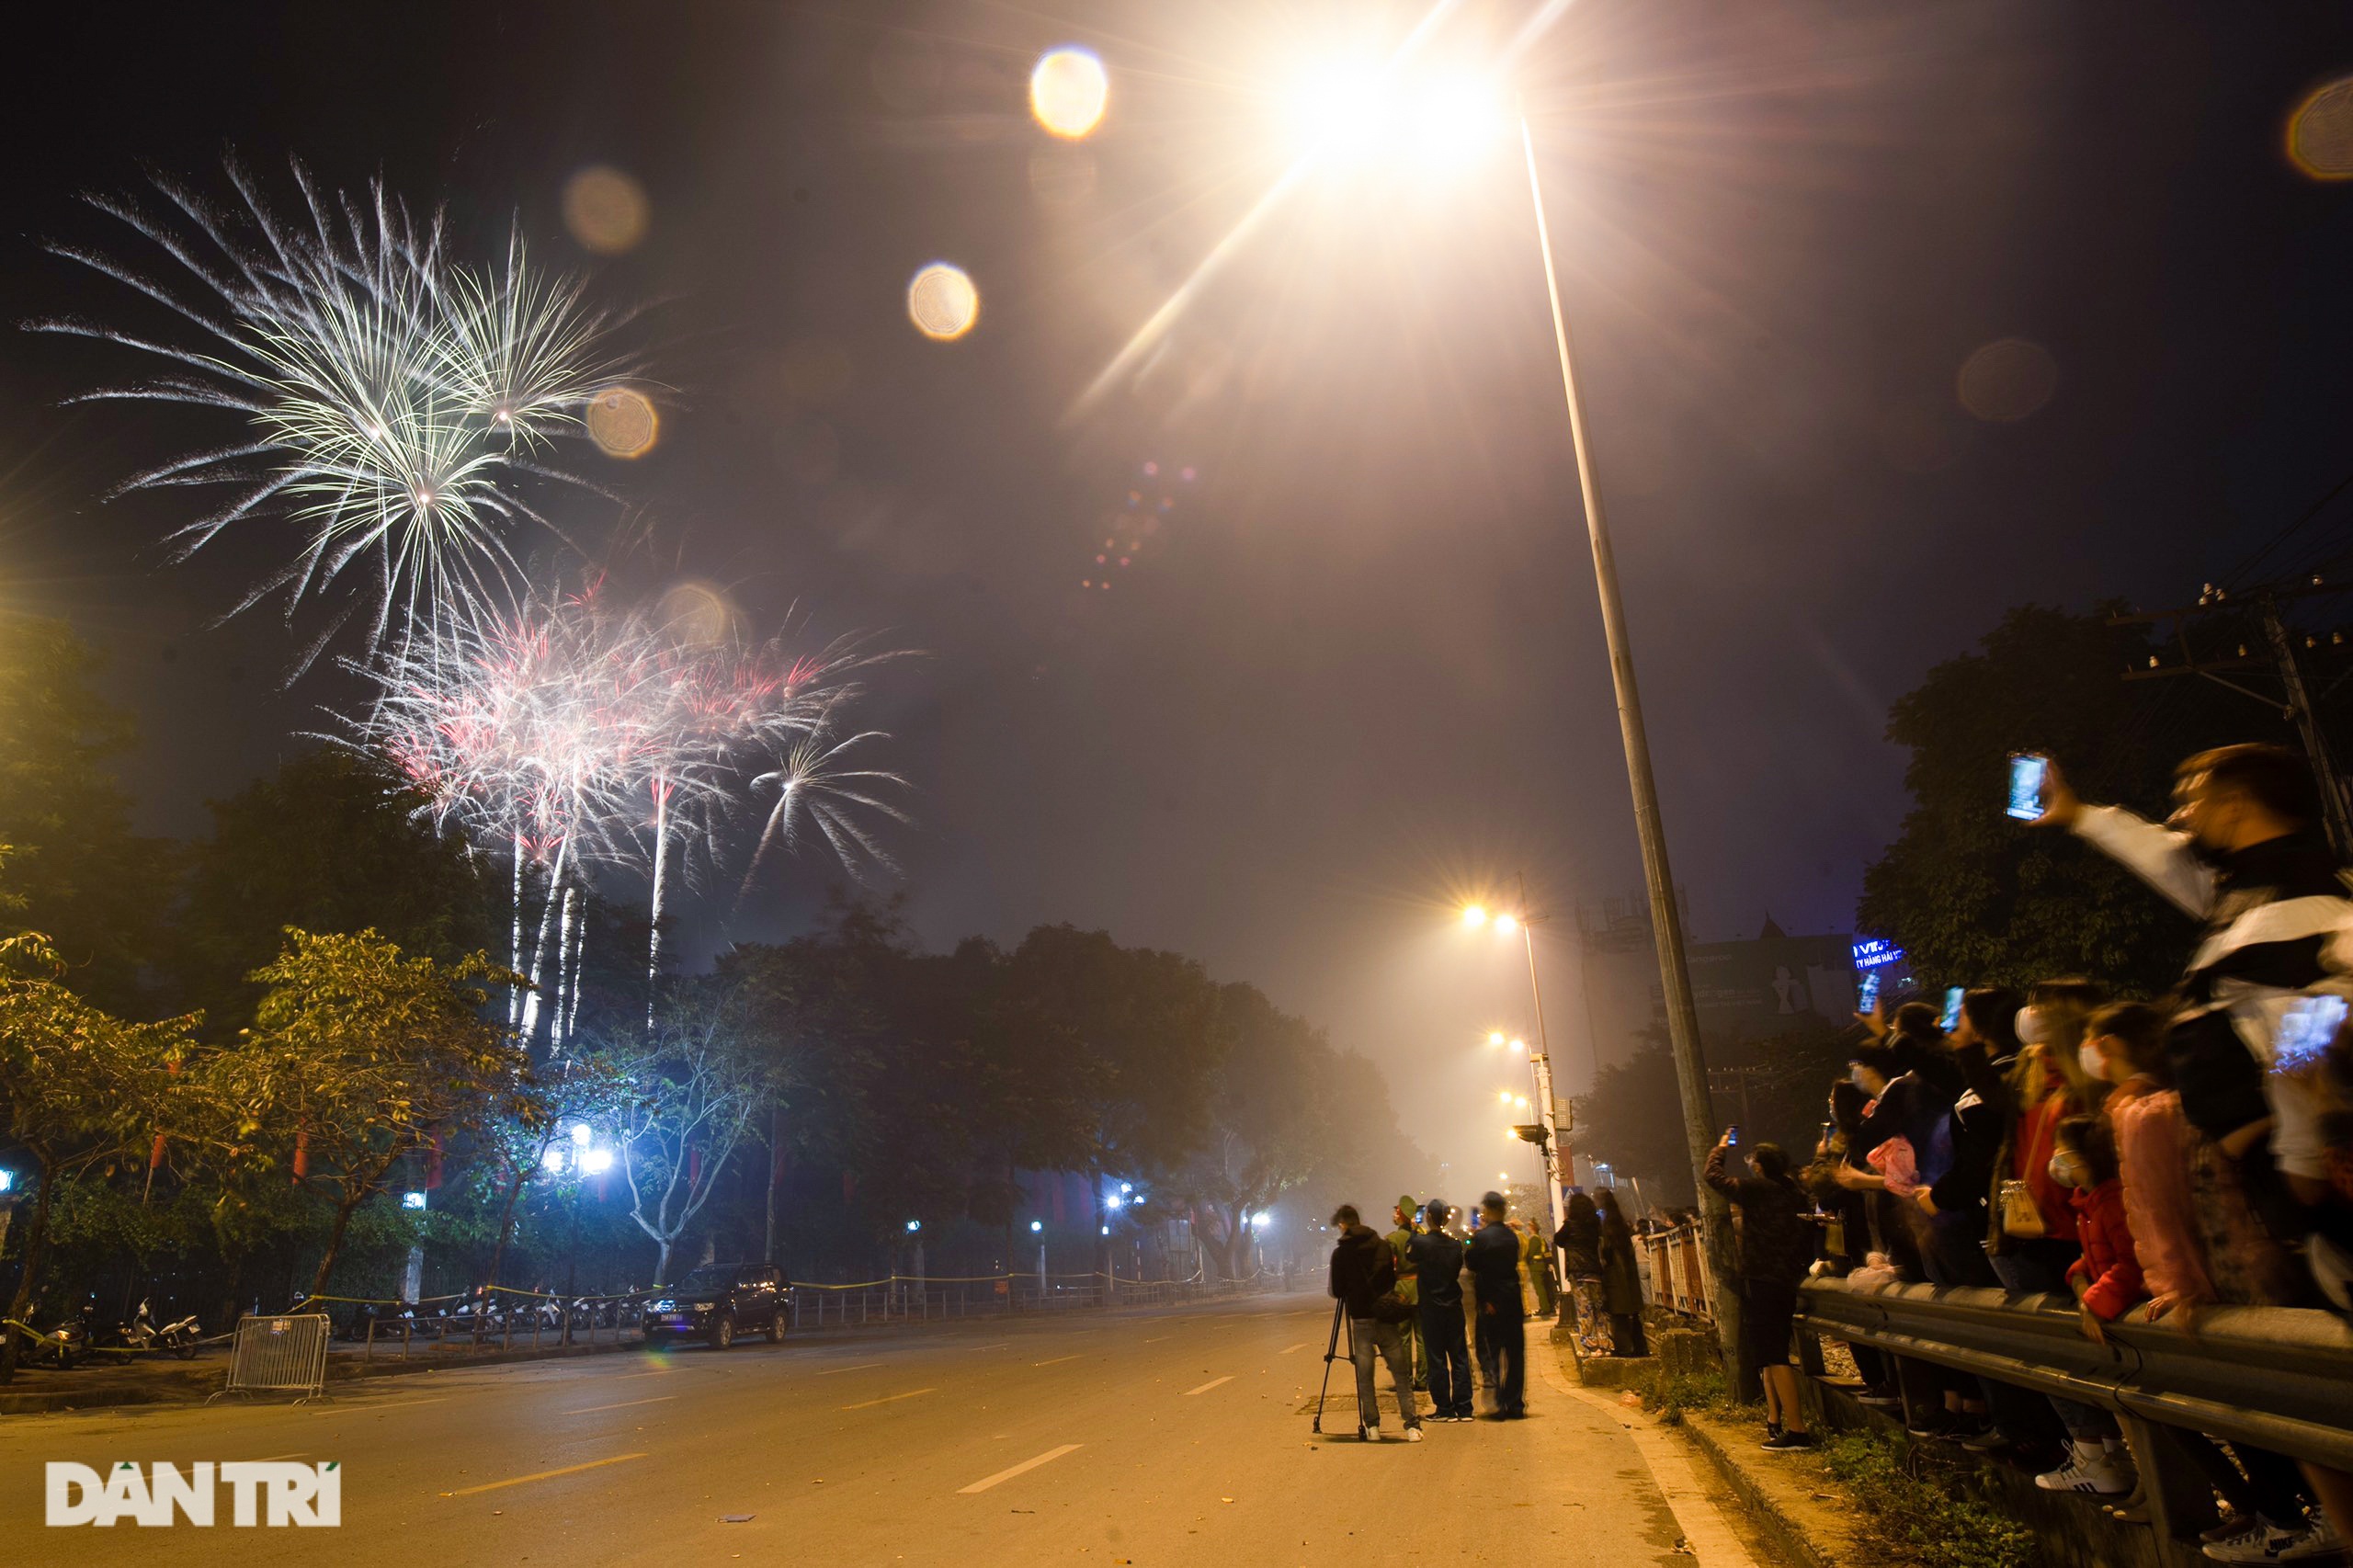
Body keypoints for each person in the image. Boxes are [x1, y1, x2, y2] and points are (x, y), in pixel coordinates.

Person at [2034, 1115, 2143, 1496]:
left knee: (2140, 1418)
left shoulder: (2112, 1202)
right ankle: (2143, 1490)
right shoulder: (2089, 1203)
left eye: (2060, 1150)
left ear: (2084, 1155)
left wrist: (2094, 1300)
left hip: (2126, 1320)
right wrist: (2080, 1279)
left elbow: (2130, 1263)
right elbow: (2093, 1257)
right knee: (2128, 1418)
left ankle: (2154, 1494)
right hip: (2110, 1317)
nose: (2055, 1159)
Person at [1704, 1133, 1818, 1450]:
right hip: (1785, 1279)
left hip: (1762, 1280)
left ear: (1759, 1165)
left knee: (1775, 1356)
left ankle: (1797, 1431)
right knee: (1770, 1354)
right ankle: (1774, 1419)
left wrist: (1721, 1149)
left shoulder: (1758, 1190)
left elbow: (1713, 1178)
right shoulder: (1793, 1193)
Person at [1327, 1203, 1422, 1442]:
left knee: (1365, 1375)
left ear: (1343, 1225)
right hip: (1386, 1317)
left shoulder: (1341, 1253)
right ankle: (1411, 1426)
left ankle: (1372, 1428)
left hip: (1360, 1320)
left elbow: (1337, 1290)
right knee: (1400, 1373)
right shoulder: (1381, 1244)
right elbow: (1390, 1279)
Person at [1408, 1199, 1473, 1422]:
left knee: (1436, 1358)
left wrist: (1413, 1228)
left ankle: (1444, 1409)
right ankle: (1464, 1408)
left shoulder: (1421, 1243)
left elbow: (1409, 1255)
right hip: (1453, 1305)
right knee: (1459, 1357)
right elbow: (1456, 1268)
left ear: (1427, 1218)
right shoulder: (1455, 1245)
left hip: (1431, 1308)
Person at [1464, 1191, 1528, 1416]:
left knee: (1491, 1353)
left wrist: (1489, 1301)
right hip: (1512, 1300)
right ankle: (1515, 1403)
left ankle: (1498, 1401)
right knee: (1515, 1354)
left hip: (1491, 1302)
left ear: (1488, 1211)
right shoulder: (1511, 1237)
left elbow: (1472, 1264)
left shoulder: (1483, 1238)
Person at [1596, 1188, 1648, 1356]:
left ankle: (1624, 1348)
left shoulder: (1608, 1225)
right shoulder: (1620, 1222)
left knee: (1619, 1316)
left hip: (1616, 1277)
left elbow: (1607, 1251)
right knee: (1632, 1314)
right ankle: (1640, 1348)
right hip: (1627, 1275)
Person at [1557, 1191, 1607, 1352]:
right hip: (1595, 1272)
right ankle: (1604, 1343)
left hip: (1578, 1273)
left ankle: (1591, 1346)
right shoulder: (1595, 1224)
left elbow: (1558, 1240)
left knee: (1584, 1309)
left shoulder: (1570, 1225)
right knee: (1599, 1309)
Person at [1384, 1197, 1425, 1392]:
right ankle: (1423, 1379)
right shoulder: (1422, 1236)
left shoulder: (1392, 1239)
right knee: (1422, 1337)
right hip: (1422, 1288)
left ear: (1400, 1214)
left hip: (1402, 1289)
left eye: (1395, 1211)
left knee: (1403, 1338)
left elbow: (1387, 1267)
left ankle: (1406, 1380)